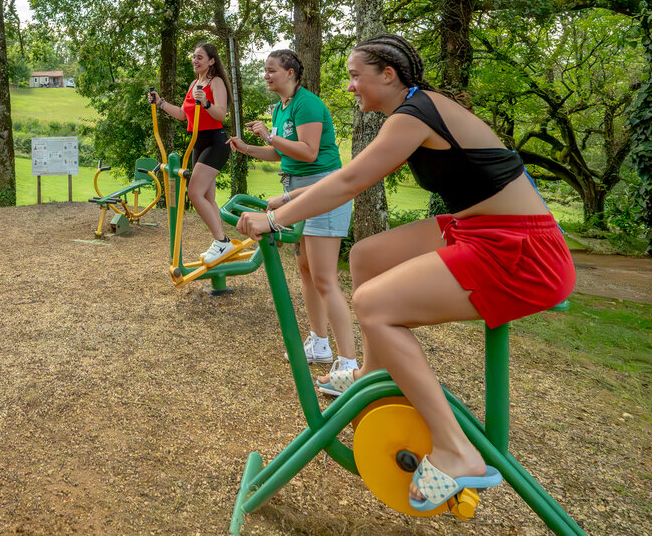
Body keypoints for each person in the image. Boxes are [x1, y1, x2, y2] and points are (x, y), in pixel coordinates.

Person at [235, 33, 574, 511]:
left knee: (373, 304)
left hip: (523, 250)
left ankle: (459, 453)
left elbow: (352, 181)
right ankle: (373, 382)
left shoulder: (415, 115)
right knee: (368, 256)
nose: (350, 86)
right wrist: (288, 200)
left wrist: (273, 220)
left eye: (356, 76)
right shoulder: (412, 111)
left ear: (388, 75)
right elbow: (351, 172)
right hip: (476, 229)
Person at [228, 49, 356, 376]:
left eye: (271, 70)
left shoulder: (307, 104)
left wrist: (269, 135)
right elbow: (280, 151)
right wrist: (249, 148)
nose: (266, 75)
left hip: (323, 188)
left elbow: (310, 152)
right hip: (298, 187)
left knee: (325, 277)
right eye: (265, 70)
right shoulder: (282, 108)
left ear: (290, 73)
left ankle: (349, 363)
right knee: (306, 268)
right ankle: (320, 342)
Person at [147, 42, 234, 263]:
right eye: (194, 57)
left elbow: (221, 114)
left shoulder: (216, 83)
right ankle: (221, 242)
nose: (195, 61)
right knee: (207, 197)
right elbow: (183, 115)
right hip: (198, 141)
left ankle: (222, 242)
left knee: (194, 192)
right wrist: (161, 103)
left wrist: (205, 103)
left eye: (200, 57)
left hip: (215, 141)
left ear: (211, 61)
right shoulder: (194, 84)